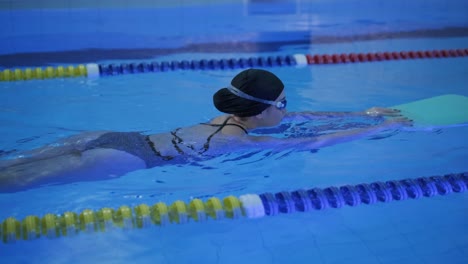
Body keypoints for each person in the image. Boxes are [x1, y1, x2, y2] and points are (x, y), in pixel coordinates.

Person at [0, 68, 411, 192]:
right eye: (282, 103)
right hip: (122, 157)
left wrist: (365, 112)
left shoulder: (228, 121)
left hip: (112, 136)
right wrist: (383, 129)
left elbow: (306, 120)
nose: (288, 109)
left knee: (10, 168)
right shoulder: (237, 139)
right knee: (9, 183)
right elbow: (316, 141)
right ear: (262, 110)